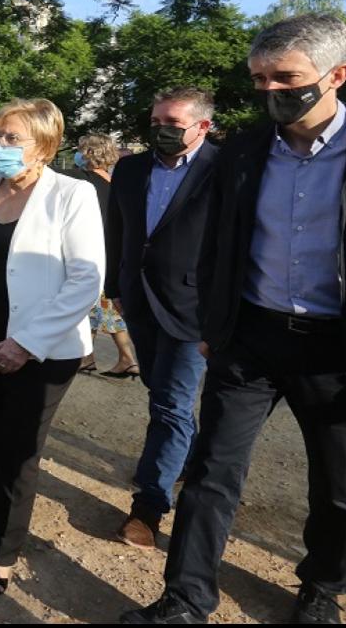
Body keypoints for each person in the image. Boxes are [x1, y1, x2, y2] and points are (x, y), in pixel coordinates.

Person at [121, 14, 346, 624]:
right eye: (259, 79)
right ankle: (185, 599)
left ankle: (322, 587)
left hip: (335, 352)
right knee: (212, 474)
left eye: (287, 77)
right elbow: (219, 246)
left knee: (337, 486)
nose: (271, 90)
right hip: (250, 339)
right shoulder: (243, 152)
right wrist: (216, 330)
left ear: (337, 75)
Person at [0, 99, 105, 599]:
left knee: (17, 451)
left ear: (45, 146)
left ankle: (0, 554)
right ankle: (10, 494)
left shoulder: (72, 194)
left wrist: (26, 343)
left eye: (12, 139)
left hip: (45, 348)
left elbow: (86, 280)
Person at [103, 88, 219, 552]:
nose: (160, 131)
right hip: (139, 301)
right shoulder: (130, 168)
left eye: (171, 123)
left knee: (169, 406)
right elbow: (119, 230)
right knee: (160, 391)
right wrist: (115, 287)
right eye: (156, 122)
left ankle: (148, 507)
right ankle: (186, 458)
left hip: (193, 311)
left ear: (202, 127)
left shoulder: (224, 170)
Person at [73, 132, 140, 379]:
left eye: (81, 150)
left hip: (90, 255)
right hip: (113, 256)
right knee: (100, 310)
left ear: (88, 153)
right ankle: (90, 358)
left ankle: (124, 358)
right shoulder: (115, 185)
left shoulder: (82, 181)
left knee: (96, 308)